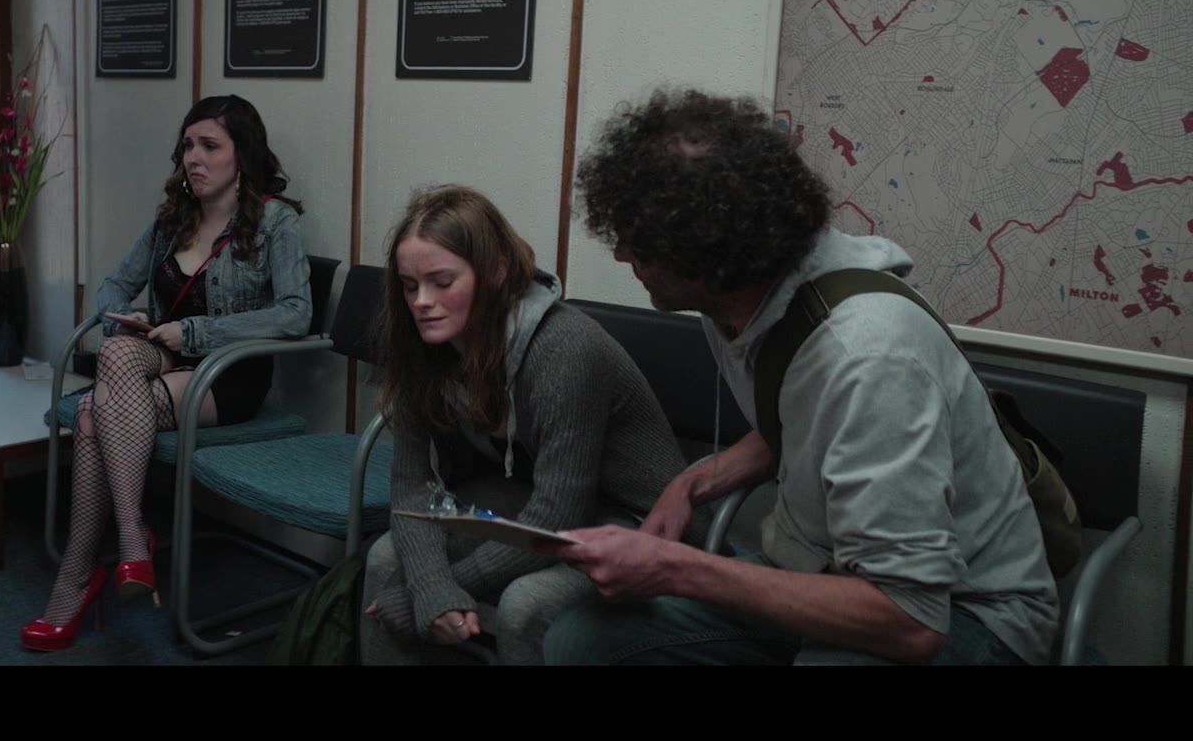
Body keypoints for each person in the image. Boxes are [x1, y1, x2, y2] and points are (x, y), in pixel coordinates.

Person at [540, 88, 1059, 665]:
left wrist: (675, 568)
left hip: (963, 613)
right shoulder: (740, 302)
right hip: (824, 568)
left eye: (639, 244)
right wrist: (691, 482)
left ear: (708, 257)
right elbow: (810, 422)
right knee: (581, 641)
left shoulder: (868, 357)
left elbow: (912, 622)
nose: (621, 255)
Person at [21, 94, 312, 651]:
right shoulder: (173, 219)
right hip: (163, 357)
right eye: (187, 146)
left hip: (227, 374)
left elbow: (296, 314)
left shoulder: (276, 222)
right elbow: (114, 284)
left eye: (209, 146)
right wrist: (125, 319)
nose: (193, 158)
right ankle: (132, 536)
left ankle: (81, 573)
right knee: (116, 353)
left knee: (91, 413)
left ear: (242, 155)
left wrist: (197, 332)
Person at [362, 185, 697, 665]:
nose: (421, 301)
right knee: (385, 556)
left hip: (637, 521)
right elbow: (413, 486)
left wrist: (438, 588)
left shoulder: (565, 348)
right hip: (531, 495)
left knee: (525, 605)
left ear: (496, 272)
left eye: (441, 281)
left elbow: (559, 514)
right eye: (410, 285)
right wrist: (430, 586)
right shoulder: (424, 345)